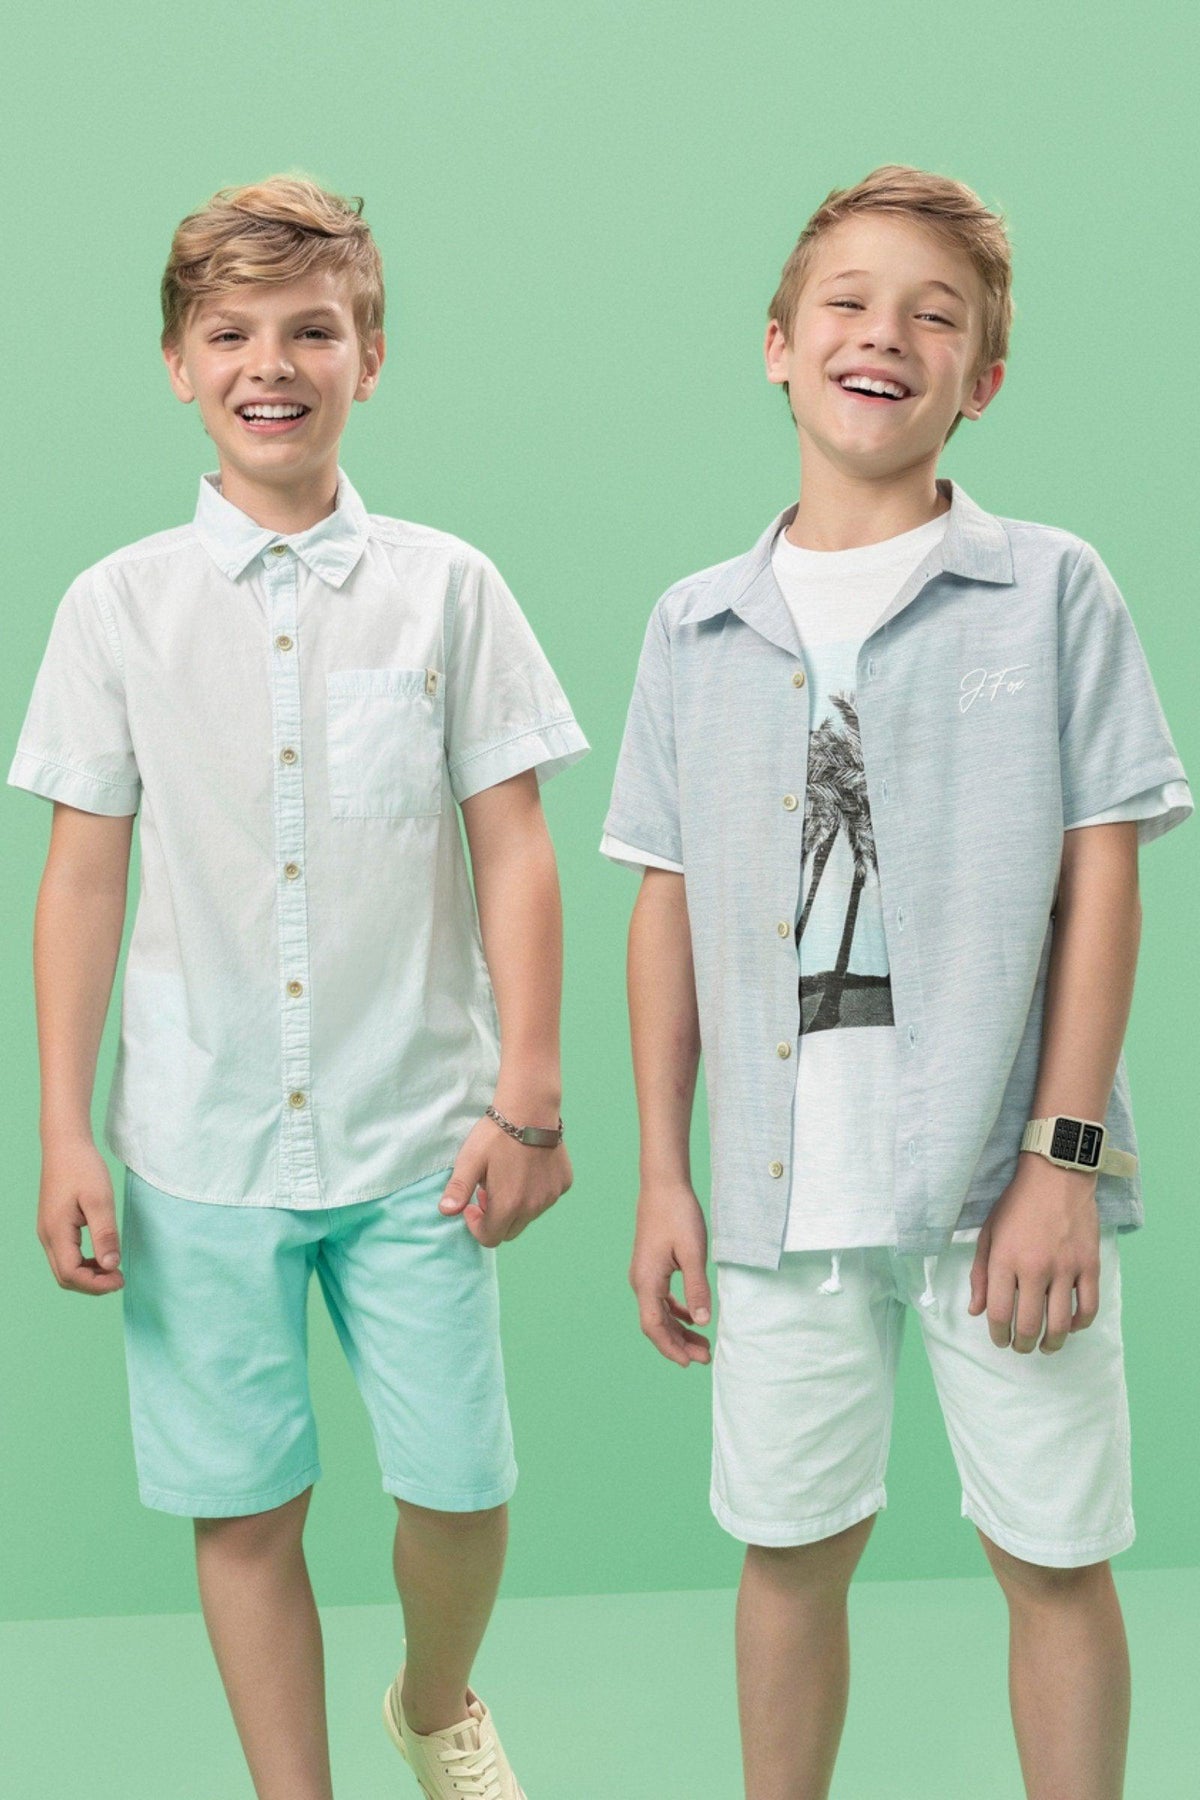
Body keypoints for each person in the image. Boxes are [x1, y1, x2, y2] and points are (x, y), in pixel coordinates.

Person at [601, 164, 1192, 1799]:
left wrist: (1063, 1164)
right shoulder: (694, 626)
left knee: (1054, 1556)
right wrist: (664, 1173)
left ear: (981, 378)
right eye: (848, 304)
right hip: (778, 1193)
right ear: (778, 346)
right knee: (789, 1552)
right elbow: (663, 906)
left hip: (1004, 1180)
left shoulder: (1052, 589)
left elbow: (1103, 880)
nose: (885, 336)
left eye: (935, 318)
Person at [9, 173, 588, 1800]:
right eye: (232, 334)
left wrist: (530, 1092)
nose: (272, 363)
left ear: (370, 358)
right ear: (179, 364)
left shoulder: (449, 588)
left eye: (313, 330)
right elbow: (82, 880)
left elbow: (515, 850)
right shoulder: (115, 608)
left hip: (420, 1136)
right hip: (198, 1145)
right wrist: (64, 1129)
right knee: (245, 1505)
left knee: (461, 1486)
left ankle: (435, 1700)